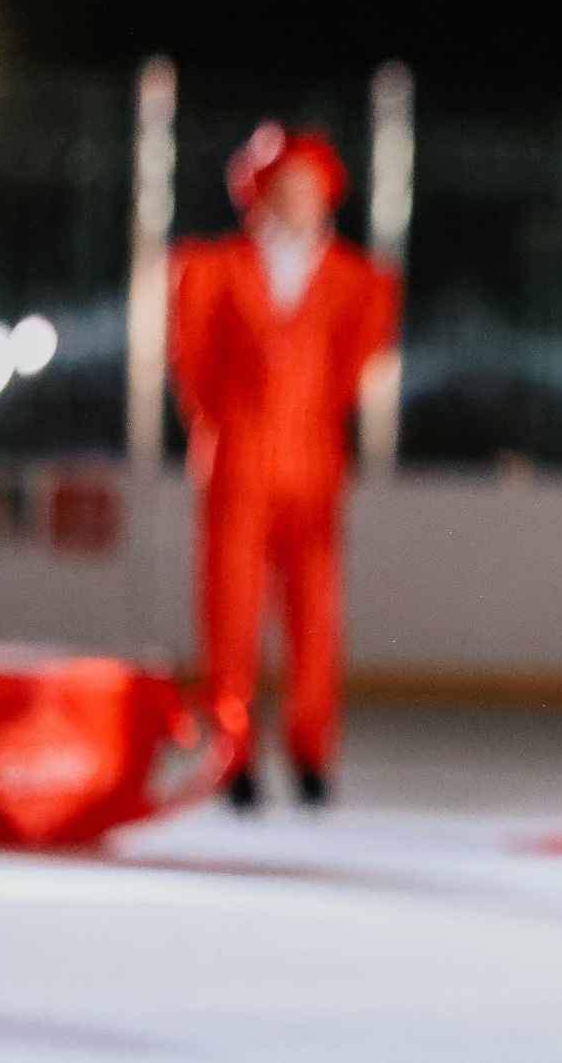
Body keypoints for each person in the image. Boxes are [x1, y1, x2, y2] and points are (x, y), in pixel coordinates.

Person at [170, 124, 400, 812]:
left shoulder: (358, 280)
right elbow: (194, 362)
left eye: (311, 188)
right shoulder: (214, 267)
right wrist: (230, 427)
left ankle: (311, 749)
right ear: (259, 193)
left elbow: (353, 367)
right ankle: (232, 750)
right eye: (286, 188)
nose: (300, 200)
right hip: (239, 458)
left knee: (315, 617)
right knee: (231, 611)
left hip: (314, 462)